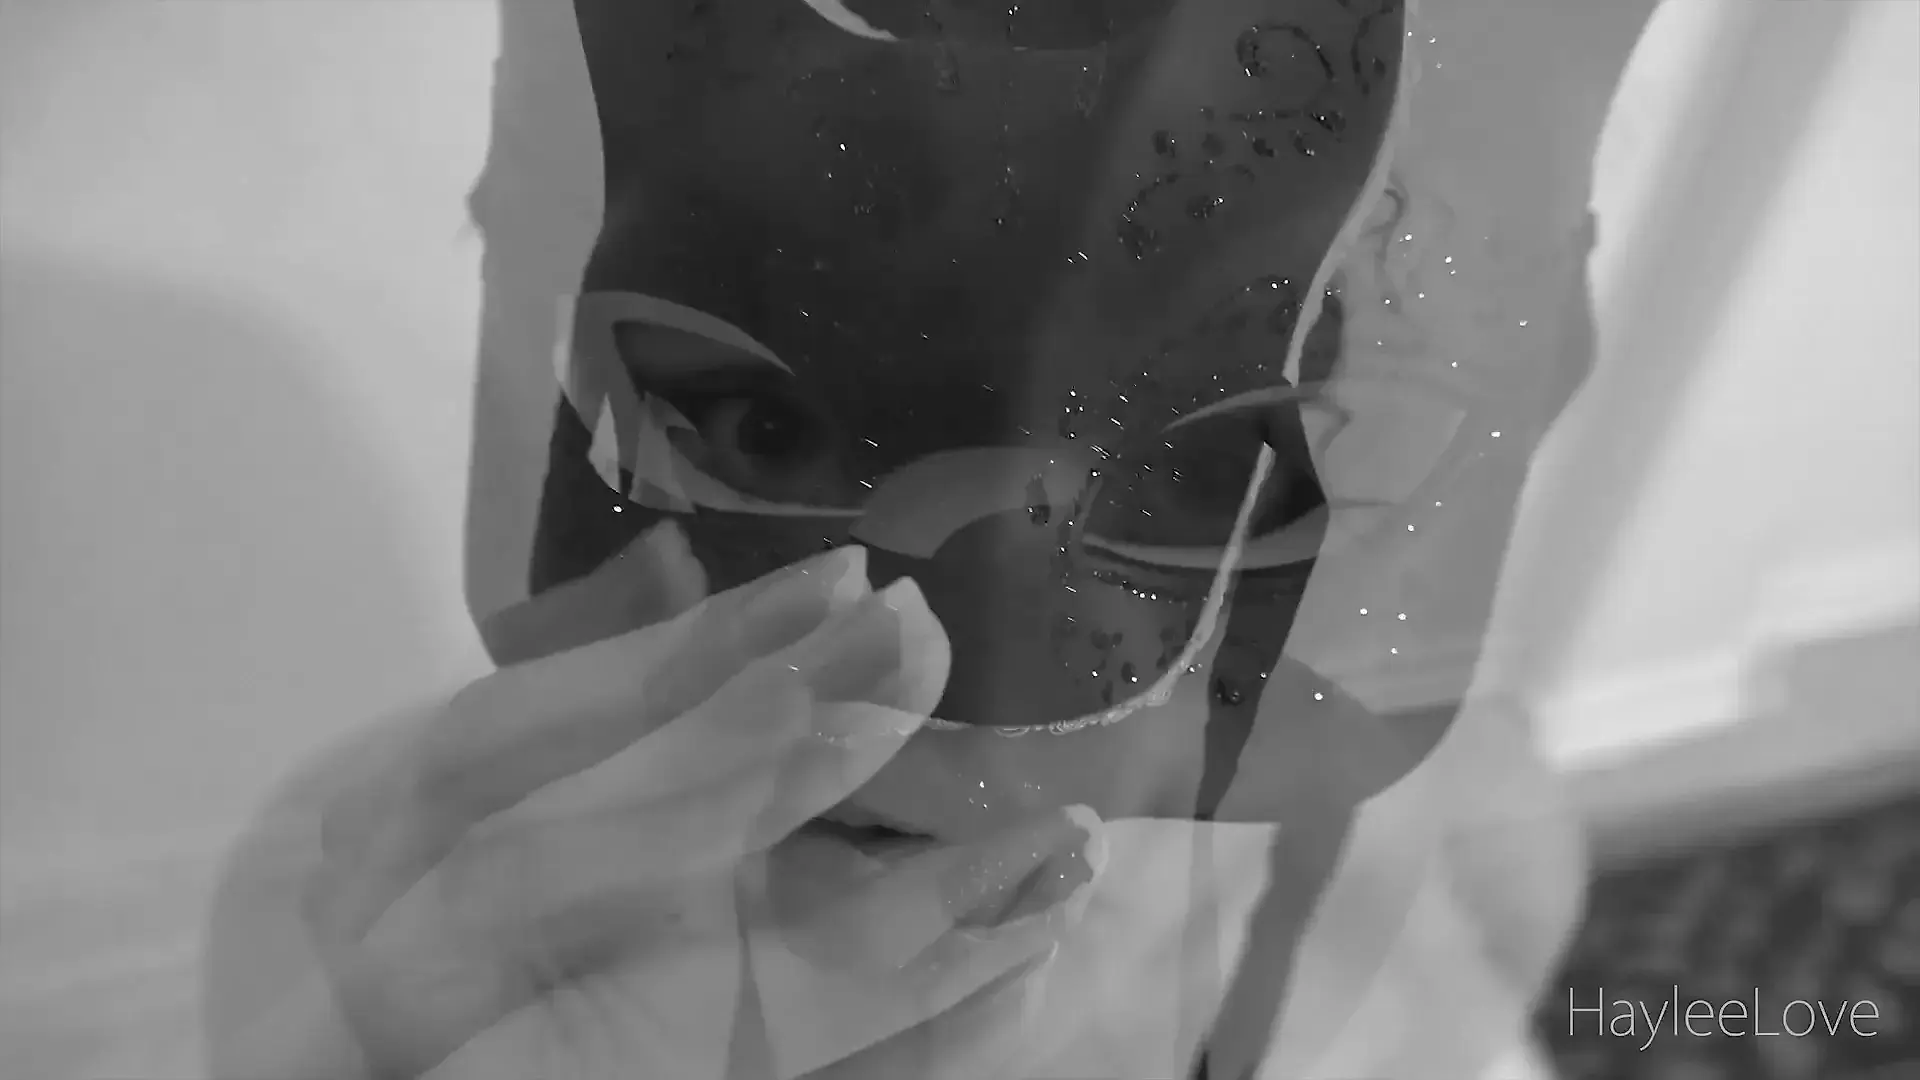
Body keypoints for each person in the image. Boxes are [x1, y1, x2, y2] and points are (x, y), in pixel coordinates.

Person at [204, 0, 1664, 1076]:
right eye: (751, 423)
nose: (945, 665)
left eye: (1221, 466)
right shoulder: (374, 920)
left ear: (1556, 366)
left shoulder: (1451, 888)